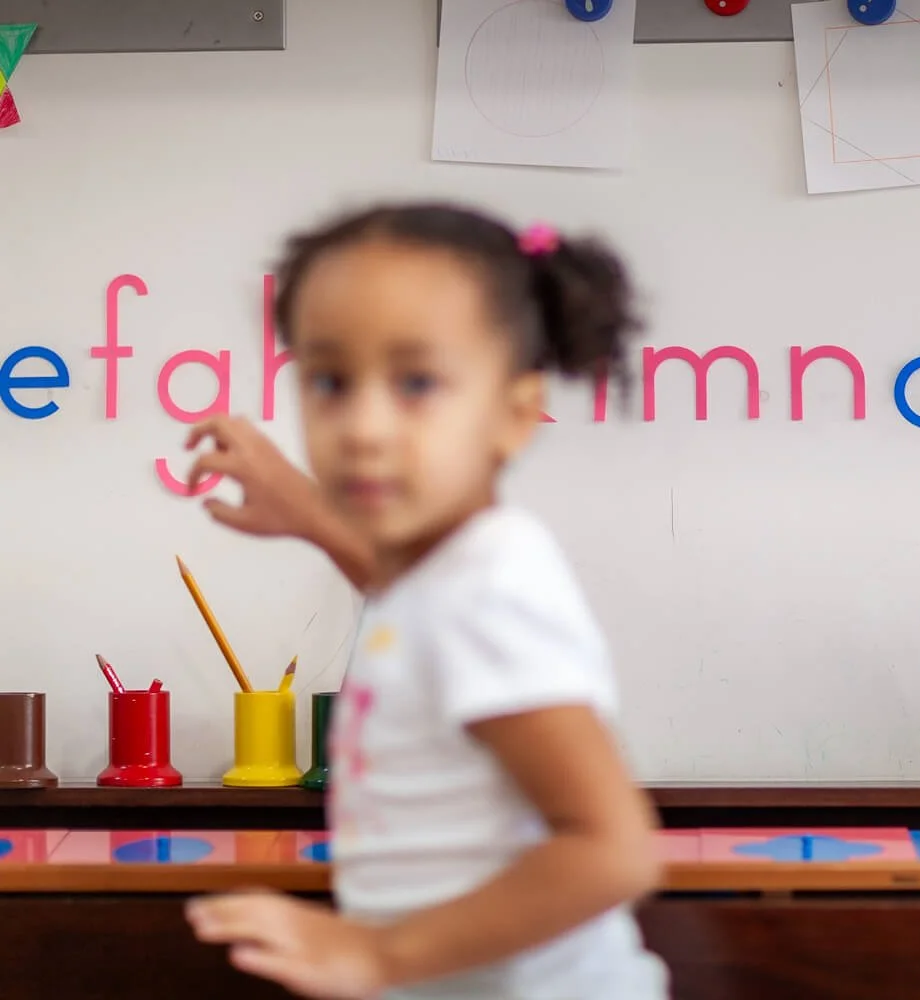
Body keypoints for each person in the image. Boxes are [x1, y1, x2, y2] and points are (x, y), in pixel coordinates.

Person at [184, 203, 669, 1000]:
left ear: (514, 415)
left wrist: (378, 956)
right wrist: (306, 510)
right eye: (330, 381)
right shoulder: (445, 576)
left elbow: (612, 850)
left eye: (416, 382)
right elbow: (411, 600)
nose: (365, 427)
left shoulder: (490, 585)